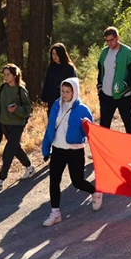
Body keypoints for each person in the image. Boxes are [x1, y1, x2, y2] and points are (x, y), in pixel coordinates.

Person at [40, 78, 101, 226]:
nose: (65, 94)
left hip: (75, 151)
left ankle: (95, 192)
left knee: (77, 182)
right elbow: (50, 128)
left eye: (68, 91)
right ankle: (55, 213)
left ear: (75, 92)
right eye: (63, 91)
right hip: (58, 149)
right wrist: (46, 148)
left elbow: (91, 134)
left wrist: (87, 125)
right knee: (54, 180)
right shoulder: (56, 105)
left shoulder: (82, 110)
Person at [0, 63, 36, 189]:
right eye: (4, 75)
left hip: (17, 124)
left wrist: (16, 109)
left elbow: (27, 109)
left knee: (8, 152)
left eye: (8, 74)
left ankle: (0, 180)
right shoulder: (3, 87)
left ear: (15, 75)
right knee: (15, 148)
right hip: (4, 123)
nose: (5, 77)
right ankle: (29, 168)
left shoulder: (21, 90)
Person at [97, 27, 131, 134]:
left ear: (117, 37)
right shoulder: (104, 52)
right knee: (104, 124)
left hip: (123, 94)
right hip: (105, 94)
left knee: (127, 121)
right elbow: (100, 70)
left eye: (112, 40)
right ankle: (104, 148)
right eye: (107, 41)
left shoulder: (128, 52)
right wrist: (99, 86)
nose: (109, 43)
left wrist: (125, 85)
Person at [40, 43, 77, 109]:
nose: (55, 56)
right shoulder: (51, 67)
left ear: (62, 54)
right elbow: (47, 83)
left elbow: (74, 85)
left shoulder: (69, 68)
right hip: (52, 100)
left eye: (57, 54)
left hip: (66, 100)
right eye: (53, 54)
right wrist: (44, 99)